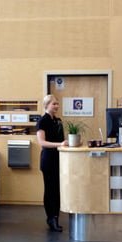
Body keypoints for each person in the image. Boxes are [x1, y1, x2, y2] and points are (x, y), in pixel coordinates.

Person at [36, 95, 68, 232]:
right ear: (47, 105)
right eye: (54, 104)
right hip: (48, 159)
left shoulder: (58, 121)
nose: (57, 106)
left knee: (57, 190)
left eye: (57, 104)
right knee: (50, 190)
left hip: (58, 158)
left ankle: (56, 217)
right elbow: (41, 142)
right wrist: (59, 144)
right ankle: (51, 218)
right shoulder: (42, 121)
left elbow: (61, 139)